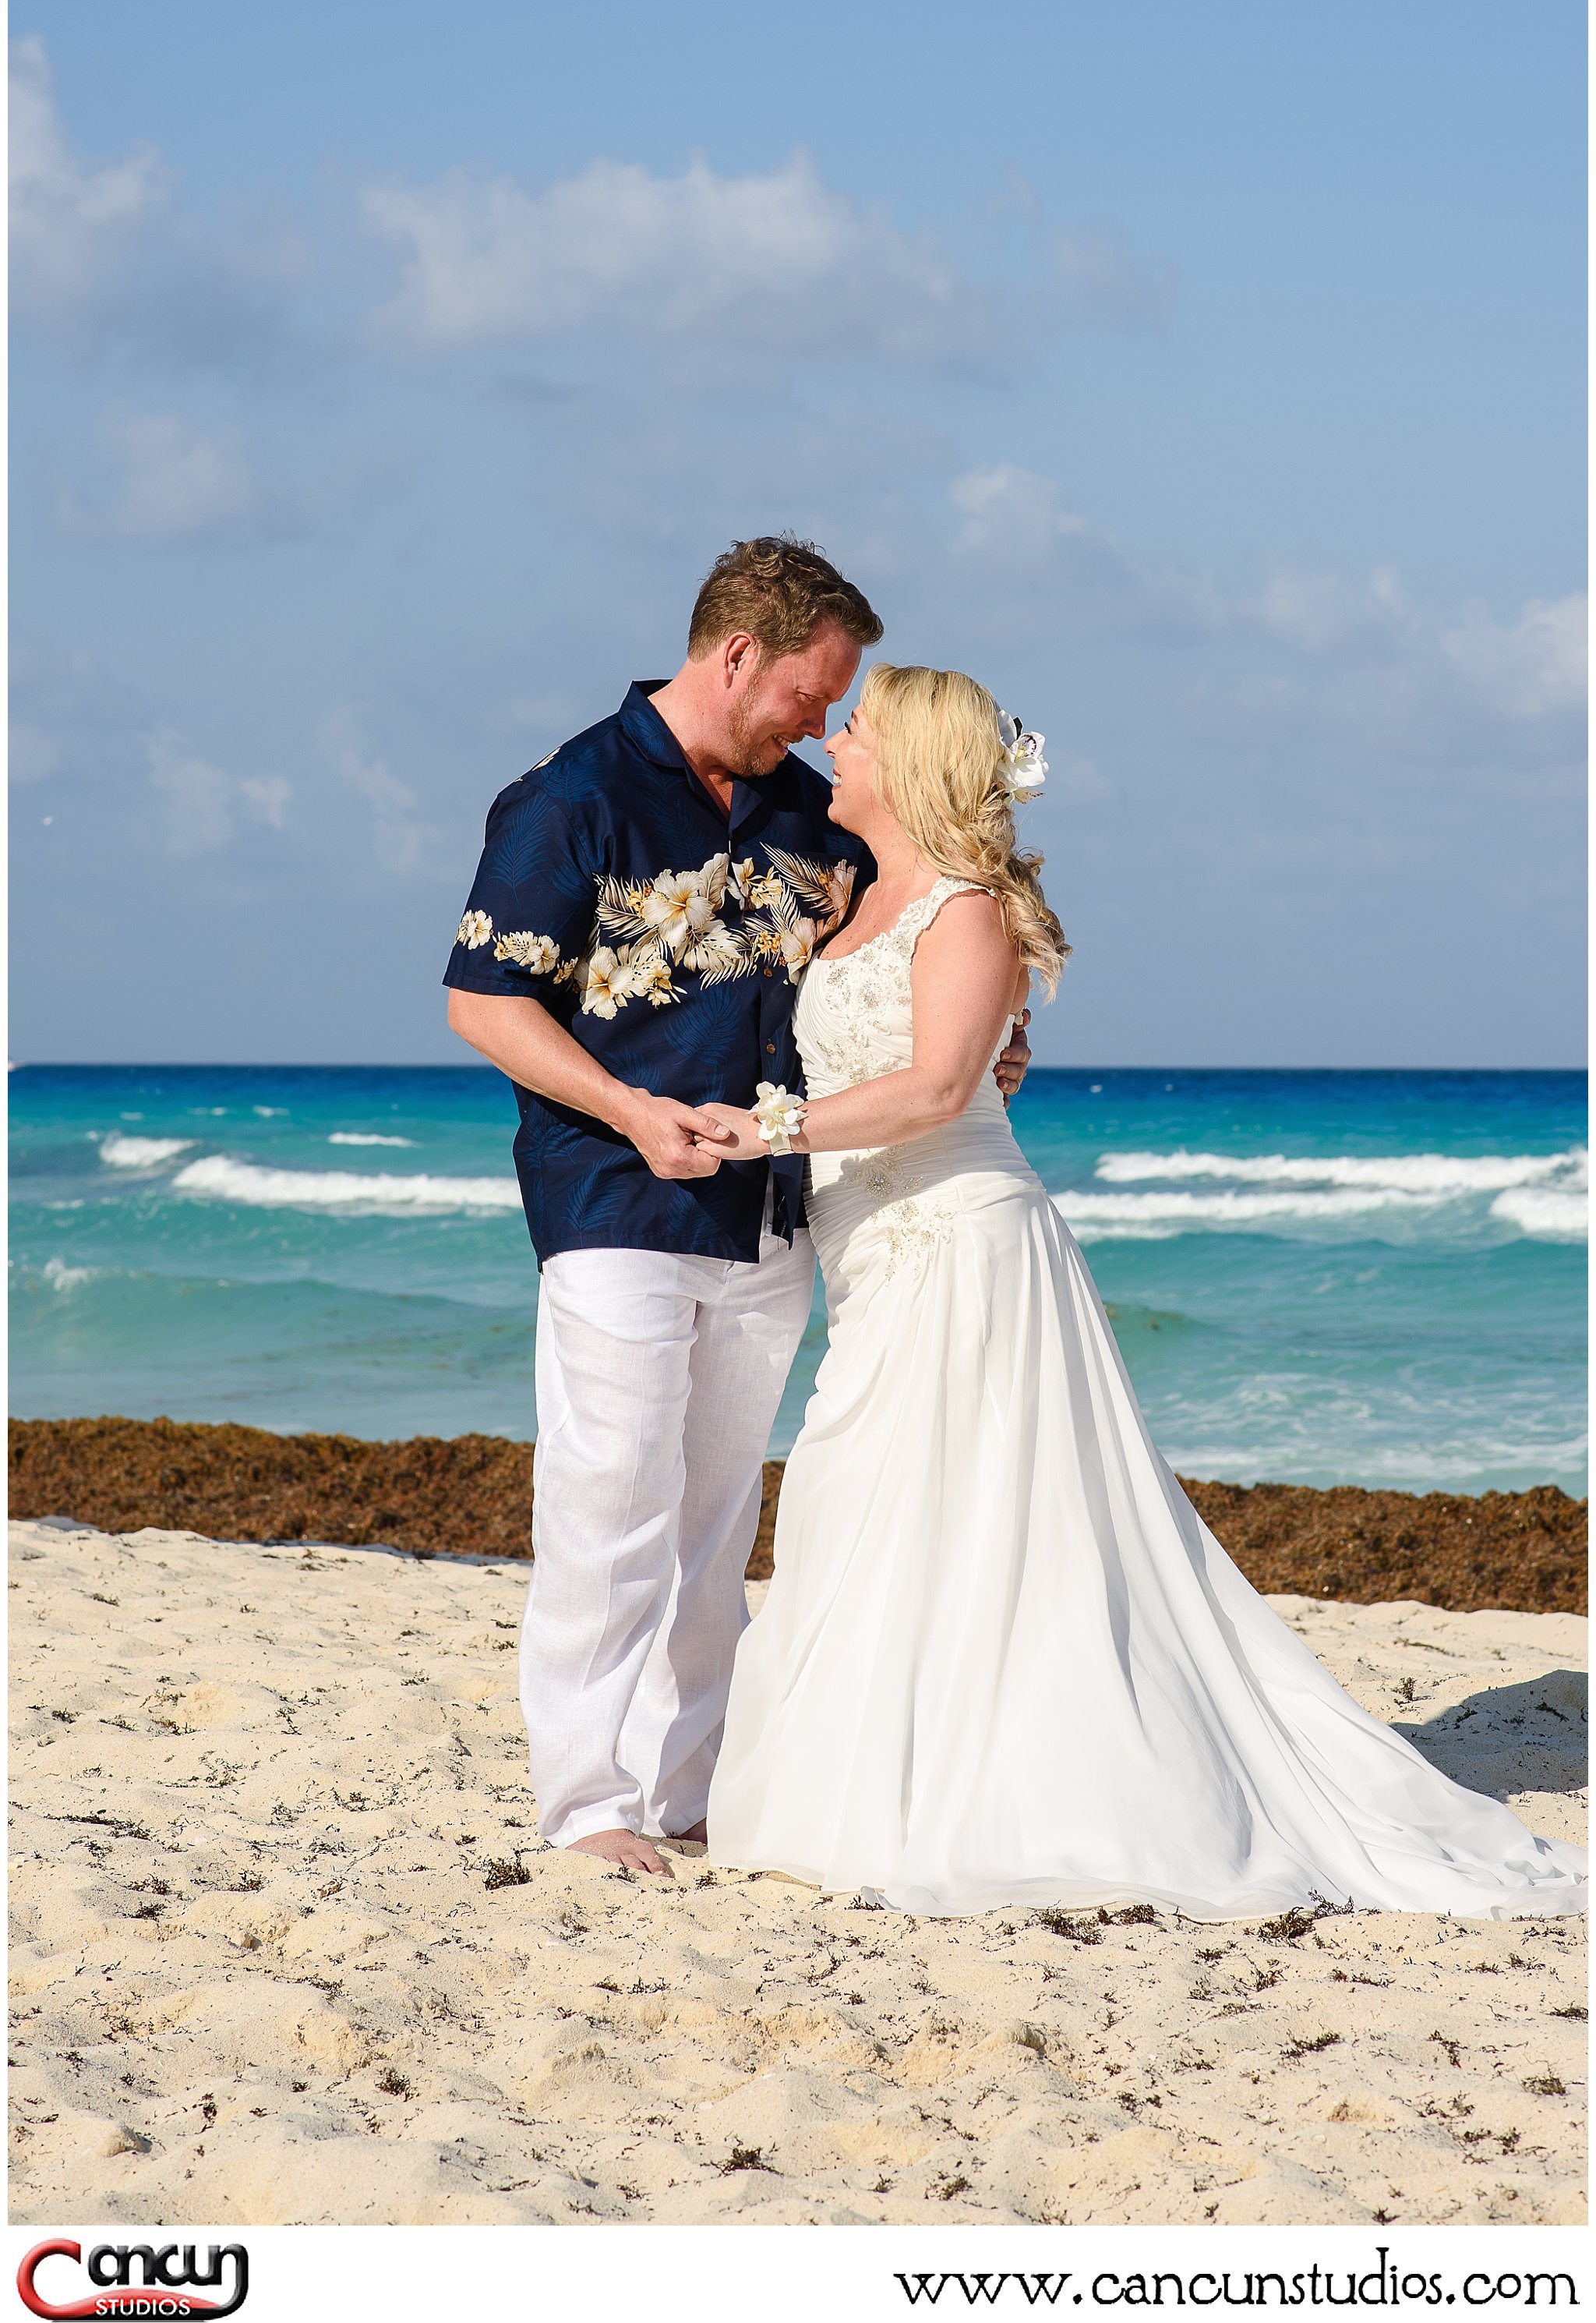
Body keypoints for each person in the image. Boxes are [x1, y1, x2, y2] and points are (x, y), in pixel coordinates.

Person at [701, 663, 1587, 1920]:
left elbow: (943, 1089)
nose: (837, 743)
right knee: (872, 1499)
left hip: (960, 1243)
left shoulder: (964, 909)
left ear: (916, 761)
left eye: (862, 728)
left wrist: (761, 1131)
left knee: (973, 1517)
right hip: (871, 1249)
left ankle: (991, 1794)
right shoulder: (850, 893)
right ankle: (866, 1785)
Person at [443, 542, 1033, 1872]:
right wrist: (631, 1111)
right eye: (811, 696)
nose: (825, 726)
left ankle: (682, 1790)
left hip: (773, 1218)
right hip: (611, 1202)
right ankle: (586, 1803)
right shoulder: (570, 798)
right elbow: (483, 1000)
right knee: (609, 1503)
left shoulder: (805, 819)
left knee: (716, 1525)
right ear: (736, 656)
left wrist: (998, 1041)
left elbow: (919, 948)